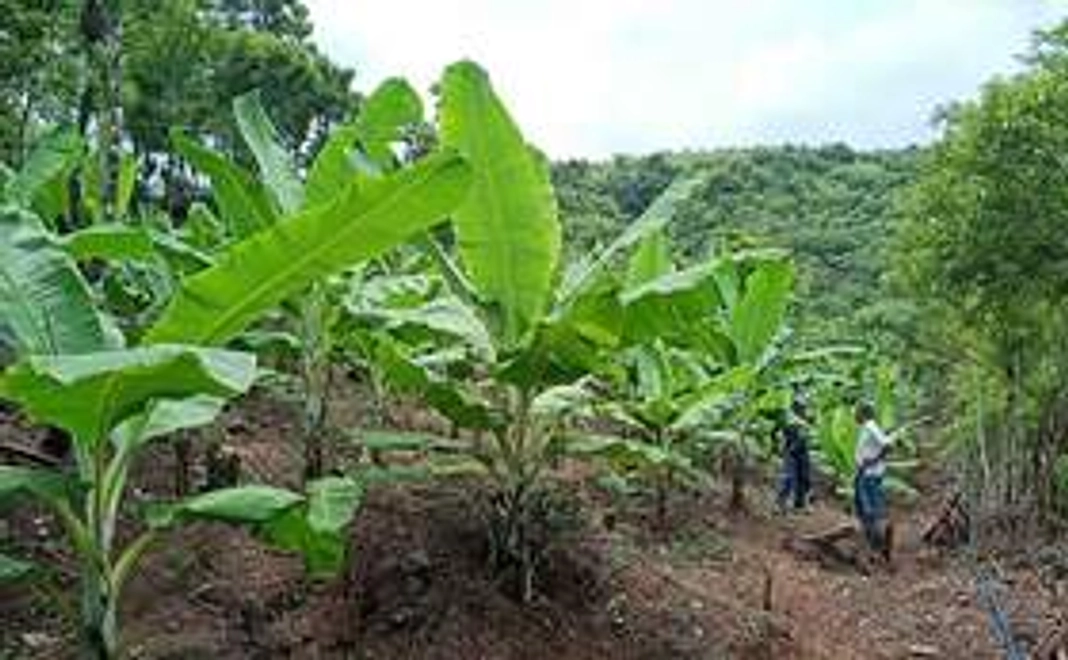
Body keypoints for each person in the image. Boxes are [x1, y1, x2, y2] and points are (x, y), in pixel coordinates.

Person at [853, 400, 893, 560]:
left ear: (863, 413)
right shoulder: (867, 427)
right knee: (863, 508)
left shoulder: (870, 426)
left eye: (856, 412)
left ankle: (879, 546)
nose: (854, 415)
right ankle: (873, 544)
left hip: (870, 474)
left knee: (870, 510)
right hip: (865, 473)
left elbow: (888, 445)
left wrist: (873, 460)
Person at [776, 396, 813, 512]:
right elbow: (777, 431)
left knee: (804, 477)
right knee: (787, 477)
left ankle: (800, 504)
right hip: (791, 450)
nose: (802, 409)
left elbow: (804, 437)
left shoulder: (804, 419)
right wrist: (778, 445)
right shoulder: (788, 419)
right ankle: (780, 503)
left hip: (802, 451)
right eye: (800, 407)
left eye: (803, 407)